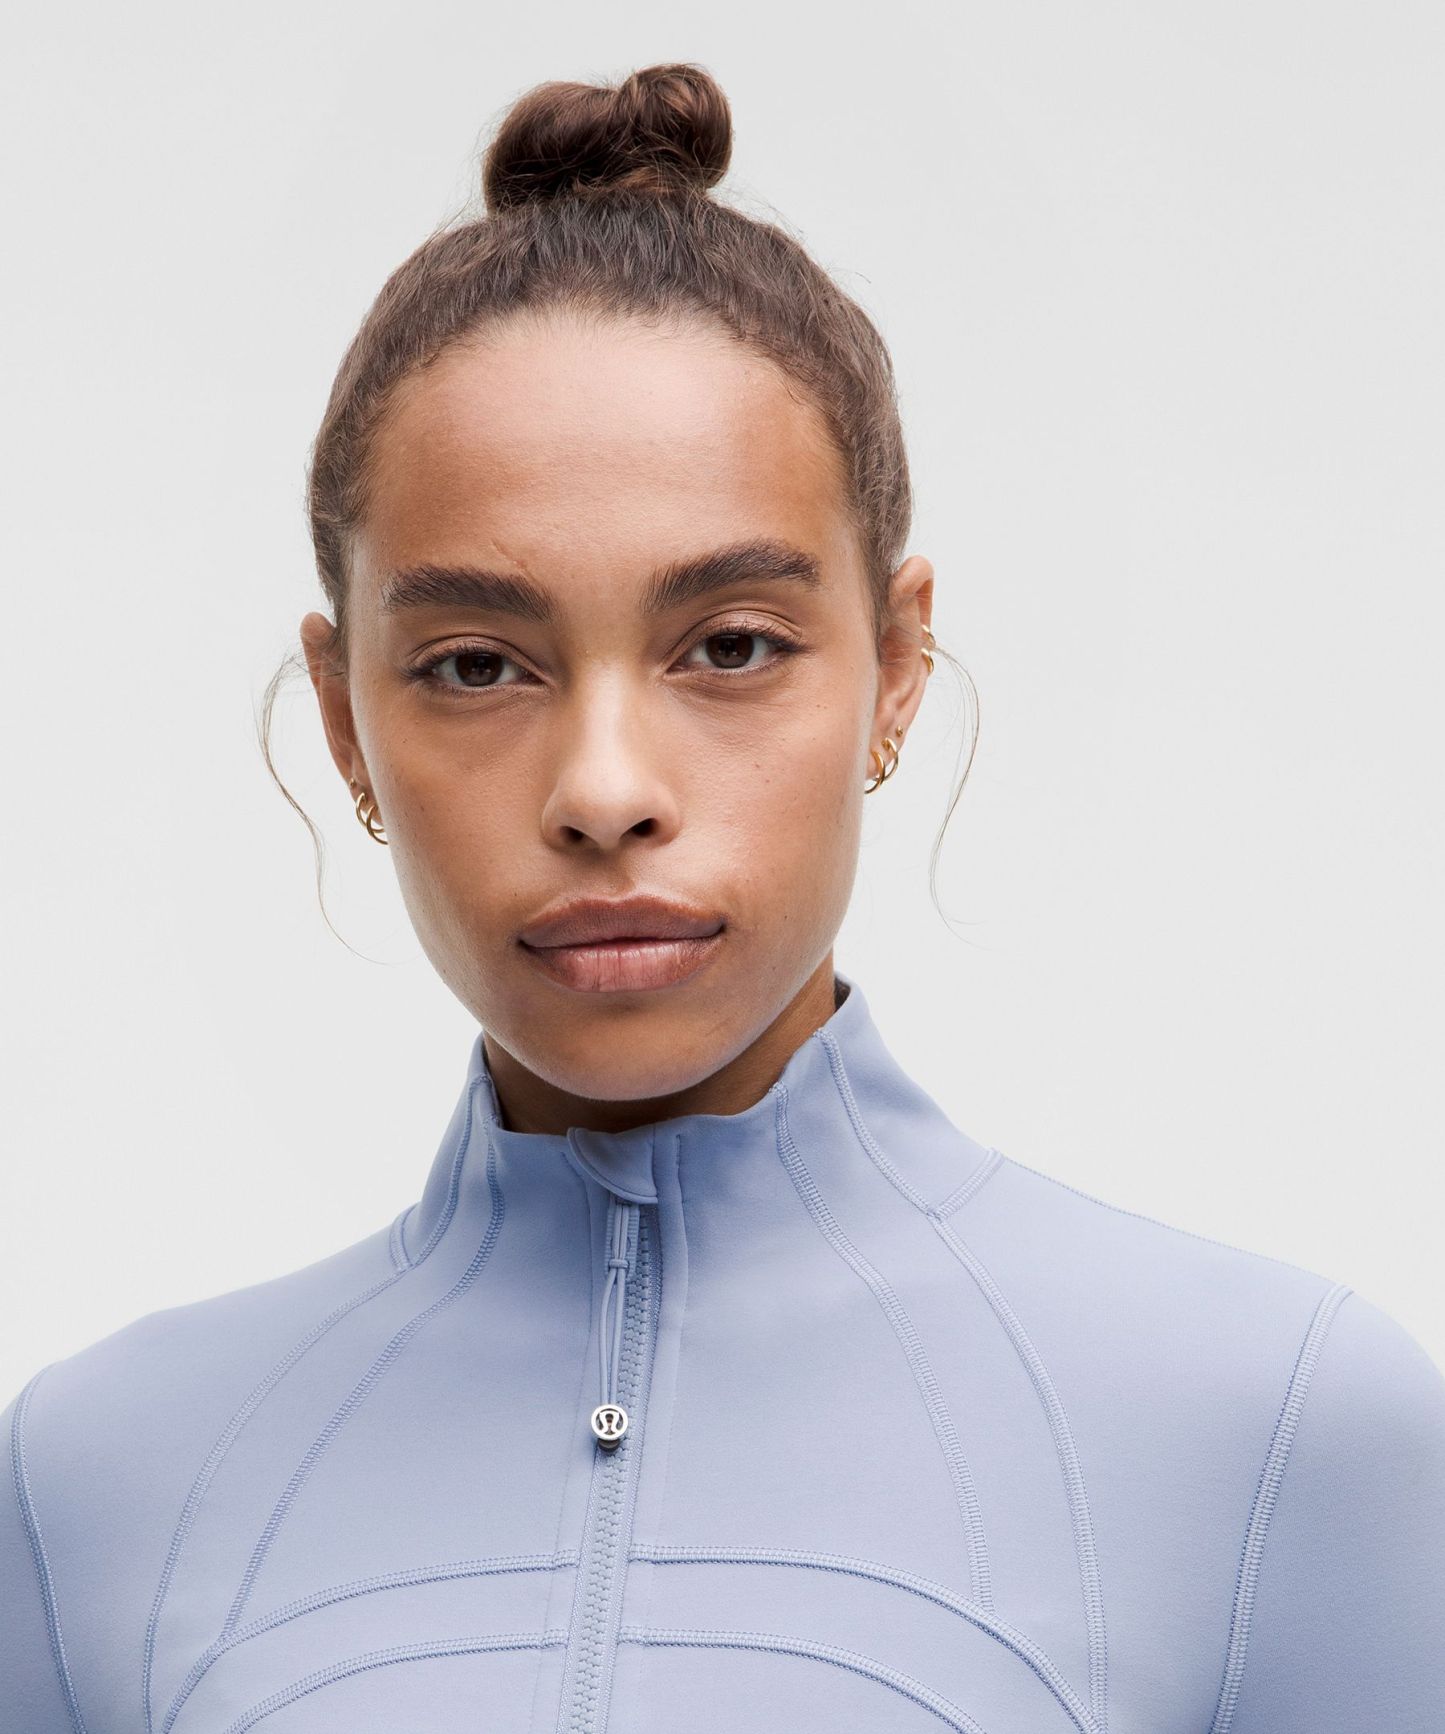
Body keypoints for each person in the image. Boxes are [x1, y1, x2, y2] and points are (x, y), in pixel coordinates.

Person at [3, 60, 1442, 1734]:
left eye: (732, 646)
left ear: (896, 665)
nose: (603, 787)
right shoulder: (88, 1488)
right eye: (475, 663)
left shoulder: (1277, 1440)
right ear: (344, 720)